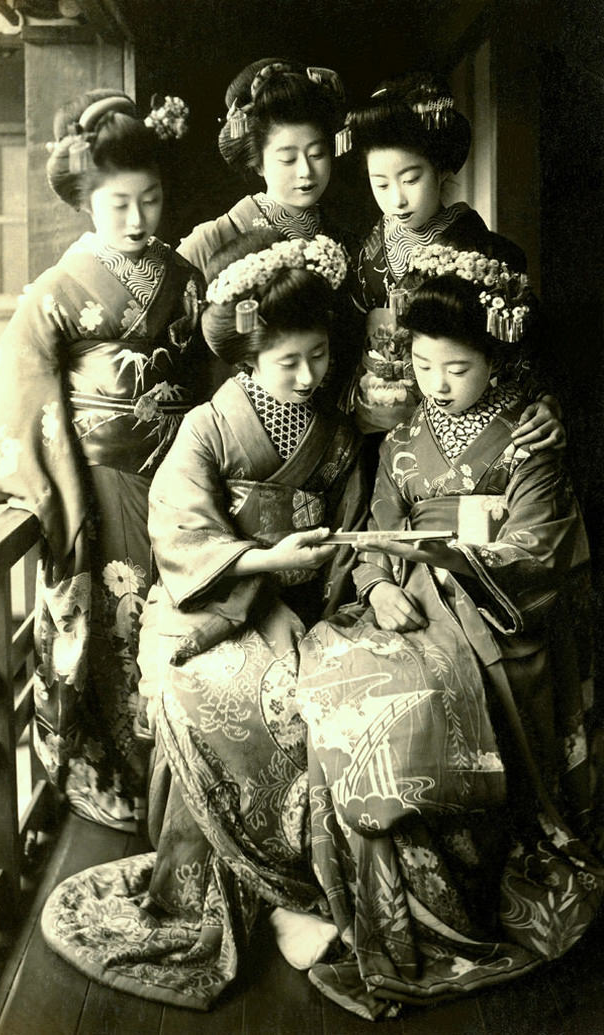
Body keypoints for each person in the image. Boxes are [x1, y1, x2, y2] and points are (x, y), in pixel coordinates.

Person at [40, 230, 369, 1008]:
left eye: (319, 355)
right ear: (249, 355)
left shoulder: (339, 433)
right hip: (207, 605)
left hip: (306, 603)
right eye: (287, 360)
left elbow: (349, 532)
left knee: (316, 697)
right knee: (212, 699)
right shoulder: (209, 427)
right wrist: (263, 573)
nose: (306, 375)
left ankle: (300, 893)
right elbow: (182, 535)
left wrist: (303, 595)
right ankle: (231, 901)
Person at [294, 253, 604, 1020]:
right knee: (349, 685)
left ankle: (453, 890)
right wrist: (382, 586)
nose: (436, 382)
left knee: (422, 700)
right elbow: (373, 534)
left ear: (494, 361)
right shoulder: (400, 441)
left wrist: (445, 578)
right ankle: (380, 889)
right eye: (424, 363)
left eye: (456, 367)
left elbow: (537, 553)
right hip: (409, 605)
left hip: (495, 616)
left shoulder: (529, 442)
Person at [0, 89, 205, 830]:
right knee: (105, 632)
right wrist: (55, 481)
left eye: (152, 201)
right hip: (97, 485)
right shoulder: (56, 290)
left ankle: (183, 781)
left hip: (181, 475)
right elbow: (22, 388)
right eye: (119, 205)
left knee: (179, 626)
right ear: (87, 203)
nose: (138, 221)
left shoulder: (184, 279)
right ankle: (112, 781)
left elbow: (206, 381)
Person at [337, 73, 563, 449]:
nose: (397, 200)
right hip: (375, 427)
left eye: (411, 179)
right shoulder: (367, 252)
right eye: (381, 183)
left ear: (441, 170)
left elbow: (527, 349)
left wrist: (545, 399)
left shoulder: (487, 255)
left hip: (462, 426)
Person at [178, 58, 362, 399]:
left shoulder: (344, 242)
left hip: (331, 422)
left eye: (317, 154)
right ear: (257, 161)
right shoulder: (213, 239)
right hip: (239, 424)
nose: (306, 172)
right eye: (288, 159)